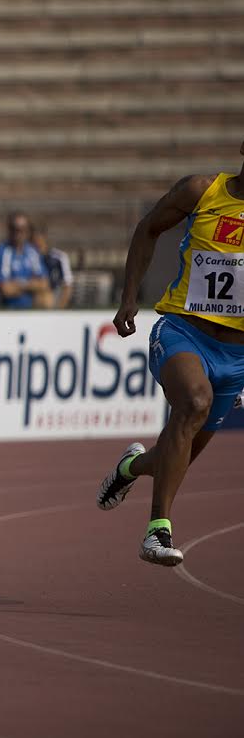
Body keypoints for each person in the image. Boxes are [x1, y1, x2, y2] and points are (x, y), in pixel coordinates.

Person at [96, 141, 244, 567]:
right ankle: (157, 531)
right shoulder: (201, 191)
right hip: (183, 331)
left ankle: (129, 469)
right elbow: (148, 228)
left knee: (172, 458)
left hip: (236, 357)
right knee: (193, 402)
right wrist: (129, 297)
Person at [0, 211, 51, 309]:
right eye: (15, 229)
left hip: (31, 304)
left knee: (47, 298)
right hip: (8, 306)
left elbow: (44, 284)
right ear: (9, 230)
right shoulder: (2, 252)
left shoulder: (32, 252)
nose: (19, 233)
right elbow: (6, 289)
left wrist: (20, 285)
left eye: (23, 229)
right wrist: (32, 285)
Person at [32, 225, 74, 309]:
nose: (37, 242)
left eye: (39, 238)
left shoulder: (59, 257)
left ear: (45, 238)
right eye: (34, 240)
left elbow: (67, 286)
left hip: (56, 297)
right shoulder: (29, 258)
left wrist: (59, 311)